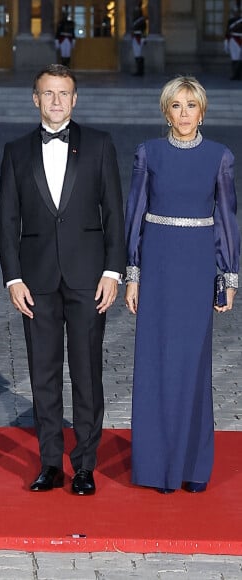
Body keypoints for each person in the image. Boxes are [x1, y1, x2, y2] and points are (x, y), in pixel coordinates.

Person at [0, 64, 125, 496]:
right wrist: (13, 278)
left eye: (63, 94)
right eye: (48, 93)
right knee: (43, 375)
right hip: (36, 282)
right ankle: (50, 462)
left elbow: (115, 216)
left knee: (87, 373)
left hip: (90, 279)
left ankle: (85, 464)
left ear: (75, 99)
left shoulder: (100, 145)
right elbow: (6, 220)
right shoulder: (15, 151)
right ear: (35, 99)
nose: (55, 101)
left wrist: (113, 271)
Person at [125, 76, 240, 494]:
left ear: (203, 110)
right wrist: (132, 275)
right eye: (176, 105)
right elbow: (135, 215)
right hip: (156, 266)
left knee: (192, 365)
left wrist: (227, 277)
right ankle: (155, 467)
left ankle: (192, 465)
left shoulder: (219, 157)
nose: (185, 113)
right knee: (155, 362)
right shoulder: (148, 153)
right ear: (165, 111)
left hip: (195, 268)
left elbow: (227, 219)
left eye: (192, 105)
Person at [225, 8, 242, 80]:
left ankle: (239, 75)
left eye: (237, 12)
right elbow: (228, 32)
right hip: (234, 40)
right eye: (235, 12)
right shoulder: (231, 21)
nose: (236, 13)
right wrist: (226, 42)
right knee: (235, 58)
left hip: (241, 38)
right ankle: (235, 74)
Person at [131, 2, 147, 76]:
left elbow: (144, 30)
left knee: (139, 54)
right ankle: (138, 70)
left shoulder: (141, 20)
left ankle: (140, 71)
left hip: (139, 38)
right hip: (135, 37)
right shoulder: (135, 20)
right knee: (136, 54)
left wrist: (144, 39)